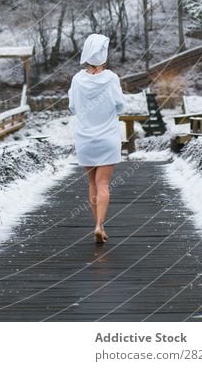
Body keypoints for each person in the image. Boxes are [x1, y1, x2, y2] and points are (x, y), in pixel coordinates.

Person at [68, 33, 125, 244]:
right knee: (103, 184)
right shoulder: (111, 78)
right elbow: (120, 105)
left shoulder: (77, 79)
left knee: (92, 183)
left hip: (85, 138)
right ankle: (99, 224)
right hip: (107, 137)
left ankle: (98, 224)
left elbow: (73, 106)